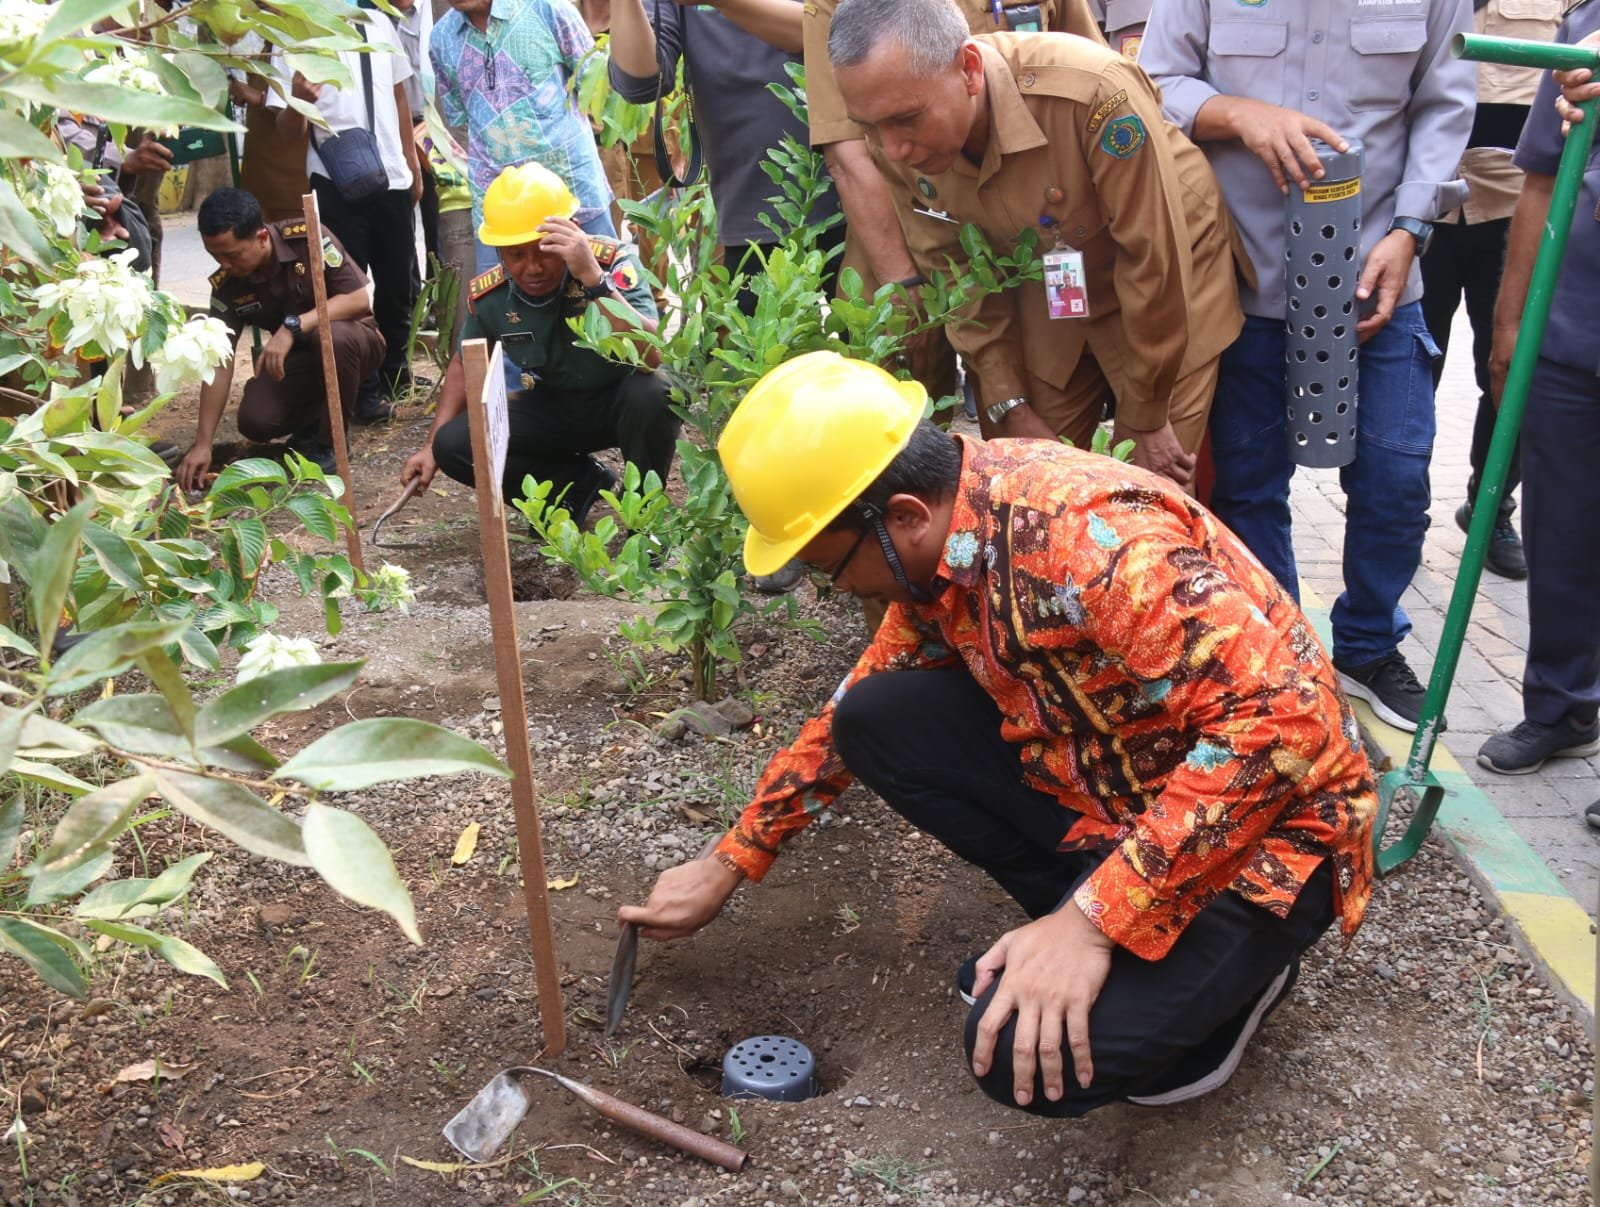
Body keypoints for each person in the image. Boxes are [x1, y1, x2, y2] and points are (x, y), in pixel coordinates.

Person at [622, 350, 1377, 1115]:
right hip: (1131, 790)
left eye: (832, 566)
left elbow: (1287, 722)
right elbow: (852, 700)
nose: (839, 586)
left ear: (905, 517)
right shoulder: (952, 533)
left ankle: (1238, 973)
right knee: (873, 719)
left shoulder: (1091, 543)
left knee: (1028, 1061)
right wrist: (733, 856)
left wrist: (1091, 922)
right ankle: (1098, 932)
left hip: (1273, 831)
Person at [1140, 0, 1476, 733]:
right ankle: (1283, 654)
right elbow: (1155, 78)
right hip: (1245, 277)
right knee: (1250, 486)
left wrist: (1411, 231)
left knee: (1396, 477)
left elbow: (1445, 100)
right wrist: (1240, 113)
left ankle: (1366, 644)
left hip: (1376, 275)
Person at [825, 0, 1246, 493]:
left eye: (907, 120)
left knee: (1150, 491)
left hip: (1171, 277)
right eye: (871, 127)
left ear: (969, 70)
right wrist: (1010, 402)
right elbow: (957, 272)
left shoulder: (1094, 93)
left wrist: (1147, 415)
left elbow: (1153, 258)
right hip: (1052, 277)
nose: (893, 149)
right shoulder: (891, 128)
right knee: (1026, 480)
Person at [800, 0, 1104, 421]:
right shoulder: (840, 10)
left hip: (1031, 247)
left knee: (1026, 418)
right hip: (902, 237)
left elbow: (1089, 80)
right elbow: (852, 155)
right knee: (905, 430)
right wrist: (904, 284)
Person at [1475, 15, 1600, 814]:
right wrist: (1512, 320)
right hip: (1572, 335)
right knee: (1561, 537)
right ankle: (1561, 704)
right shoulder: (1586, 28)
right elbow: (1542, 180)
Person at [400, 164, 677, 519]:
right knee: (453, 445)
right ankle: (576, 486)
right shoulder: (492, 296)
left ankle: (644, 514)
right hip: (555, 407)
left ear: (571, 232)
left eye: (544, 249)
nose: (533, 267)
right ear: (500, 252)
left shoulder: (611, 262)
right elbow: (463, 362)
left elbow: (651, 356)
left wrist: (592, 279)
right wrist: (428, 449)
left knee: (653, 391)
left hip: (622, 402)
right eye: (516, 254)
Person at [1421, 0, 1564, 583]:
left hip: (1513, 209)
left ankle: (1490, 504)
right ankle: (1396, 510)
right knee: (1407, 369)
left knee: (1512, 370)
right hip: (1423, 205)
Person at [605, 0, 845, 312]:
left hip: (855, 199)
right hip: (751, 214)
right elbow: (639, 82)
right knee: (767, 357)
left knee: (884, 346)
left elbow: (835, 34)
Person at [176, 188, 385, 491]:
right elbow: (220, 360)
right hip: (297, 363)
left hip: (355, 343)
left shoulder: (308, 238)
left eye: (231, 255)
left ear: (261, 238)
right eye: (215, 256)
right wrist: (203, 443)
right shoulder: (227, 286)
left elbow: (360, 297)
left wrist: (293, 327)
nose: (224, 265)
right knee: (255, 421)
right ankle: (314, 423)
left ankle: (330, 446)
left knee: (333, 338)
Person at [269, 7, 424, 416]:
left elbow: (398, 95)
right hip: (334, 182)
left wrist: (412, 163)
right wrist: (298, 101)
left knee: (398, 285)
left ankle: (396, 376)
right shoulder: (292, 34)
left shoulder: (378, 23)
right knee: (348, 288)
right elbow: (286, 132)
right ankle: (365, 393)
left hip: (392, 175)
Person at [430, 0, 617, 269]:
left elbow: (595, 86)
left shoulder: (549, 9)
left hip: (572, 192)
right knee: (501, 305)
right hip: (497, 207)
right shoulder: (441, 38)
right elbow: (460, 115)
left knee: (603, 288)